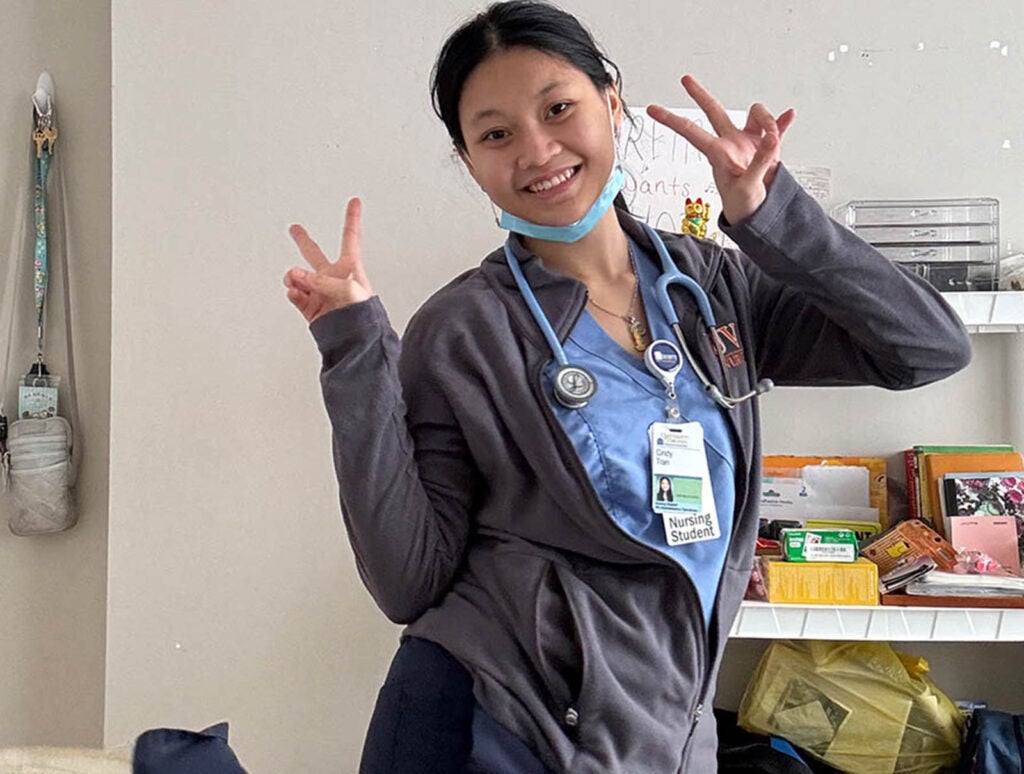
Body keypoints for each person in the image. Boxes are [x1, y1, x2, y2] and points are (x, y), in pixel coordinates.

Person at [283, 1, 972, 771]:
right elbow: (408, 580)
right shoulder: (466, 329)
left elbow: (925, 347)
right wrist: (353, 348)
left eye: (559, 108)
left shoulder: (712, 288)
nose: (538, 150)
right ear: (469, 159)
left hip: (666, 730)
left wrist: (768, 213)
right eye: (497, 133)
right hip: (500, 721)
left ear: (612, 102)